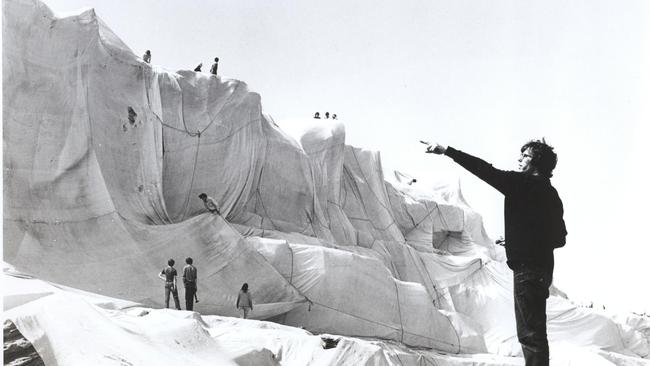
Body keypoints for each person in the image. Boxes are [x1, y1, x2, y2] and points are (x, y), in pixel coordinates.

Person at [426, 139, 567, 366]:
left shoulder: (520, 183)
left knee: (529, 336)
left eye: (525, 157)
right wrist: (522, 236)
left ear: (537, 162)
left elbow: (484, 169)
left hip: (526, 270)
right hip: (543, 271)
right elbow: (560, 238)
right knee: (536, 332)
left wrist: (448, 151)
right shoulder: (552, 194)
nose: (519, 160)